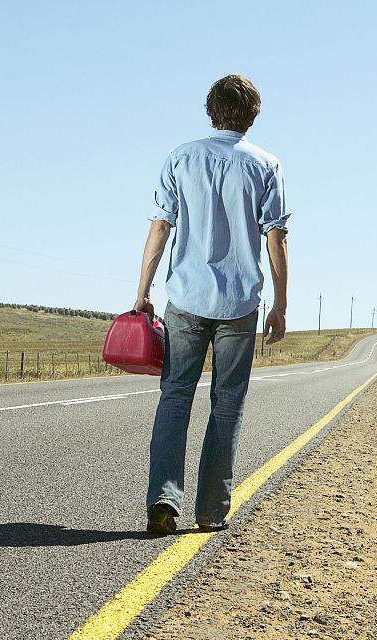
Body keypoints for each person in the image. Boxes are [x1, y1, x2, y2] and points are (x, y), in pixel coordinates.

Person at [133, 74, 290, 535]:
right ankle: (211, 510)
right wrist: (281, 304)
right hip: (240, 303)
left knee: (175, 396)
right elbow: (276, 239)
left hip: (185, 297)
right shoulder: (267, 166)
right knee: (227, 402)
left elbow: (160, 227)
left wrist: (142, 291)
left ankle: (163, 500)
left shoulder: (180, 158)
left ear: (210, 111)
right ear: (253, 115)